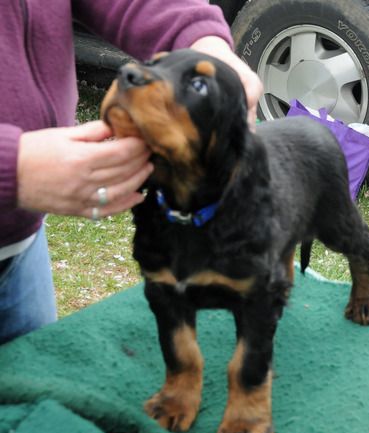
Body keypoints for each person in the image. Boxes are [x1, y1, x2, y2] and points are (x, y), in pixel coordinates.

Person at [0, 0, 263, 344]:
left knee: (32, 371)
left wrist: (198, 34)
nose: (130, 72)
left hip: (20, 245)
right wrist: (12, 167)